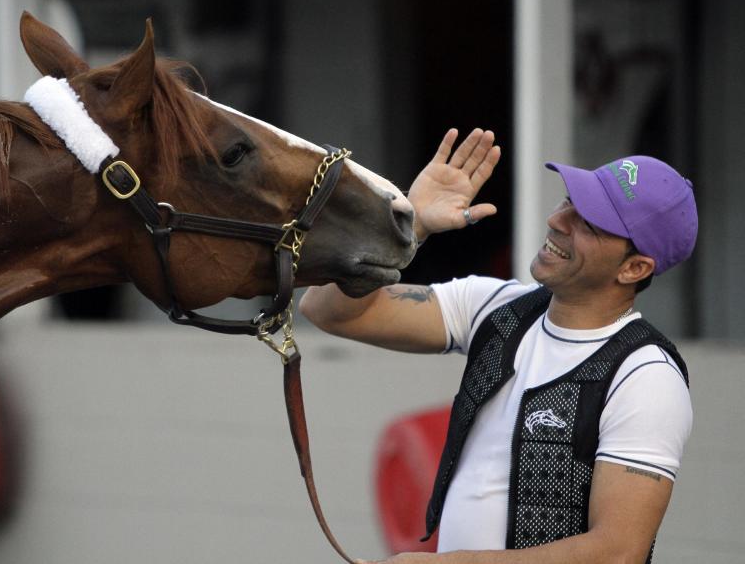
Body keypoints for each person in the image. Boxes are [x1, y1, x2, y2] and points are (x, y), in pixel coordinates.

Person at [299, 128, 698, 564]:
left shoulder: (646, 374)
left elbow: (617, 553)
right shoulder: (495, 305)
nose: (557, 220)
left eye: (588, 222)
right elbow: (326, 309)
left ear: (634, 267)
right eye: (570, 200)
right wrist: (407, 229)